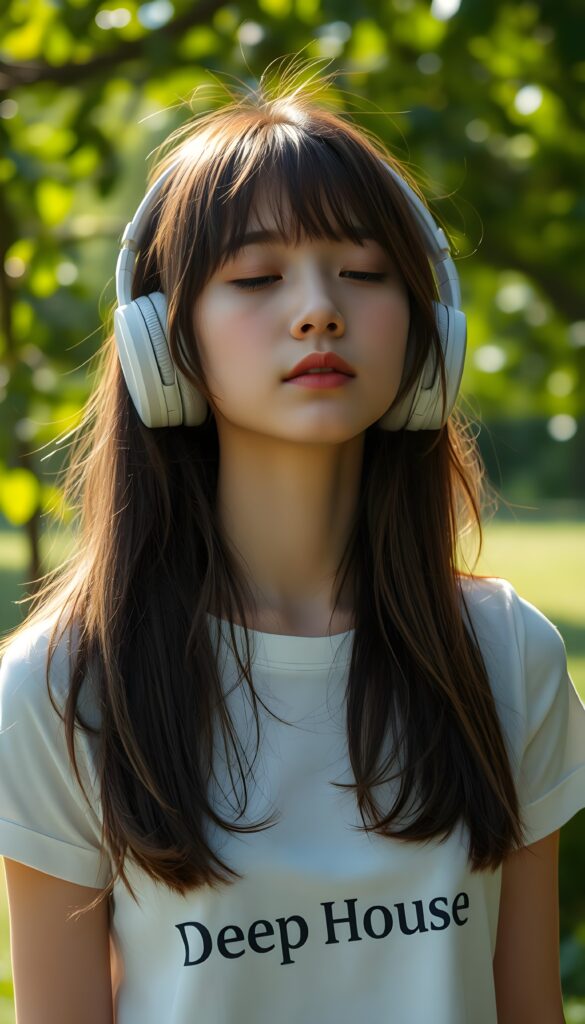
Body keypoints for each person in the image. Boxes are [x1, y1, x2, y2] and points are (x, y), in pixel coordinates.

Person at [1, 60, 584, 1024]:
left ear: (429, 329)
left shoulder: (506, 654)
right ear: (162, 344)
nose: (319, 308)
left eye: (362, 272)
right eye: (257, 276)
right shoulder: (65, 684)